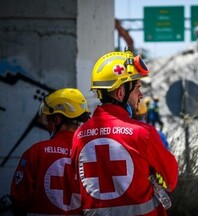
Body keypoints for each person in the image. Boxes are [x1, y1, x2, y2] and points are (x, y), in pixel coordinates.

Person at [71, 50, 178, 216]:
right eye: (137, 88)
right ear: (121, 92)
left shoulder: (79, 135)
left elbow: (75, 188)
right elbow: (170, 179)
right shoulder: (143, 133)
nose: (141, 95)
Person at [10, 88, 90, 215]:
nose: (47, 126)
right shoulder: (90, 153)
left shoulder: (35, 153)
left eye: (48, 120)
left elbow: (19, 198)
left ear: (57, 120)